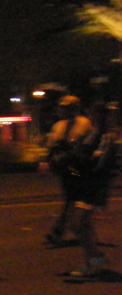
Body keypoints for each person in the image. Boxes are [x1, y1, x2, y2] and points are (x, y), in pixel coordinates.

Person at [65, 102, 119, 277]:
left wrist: (79, 164)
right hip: (83, 184)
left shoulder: (106, 137)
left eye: (98, 114)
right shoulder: (90, 133)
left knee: (78, 222)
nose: (94, 117)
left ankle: (95, 258)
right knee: (82, 223)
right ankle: (93, 260)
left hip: (94, 186)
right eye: (93, 114)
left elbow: (98, 162)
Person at [44, 95, 94, 246]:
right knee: (73, 199)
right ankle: (80, 229)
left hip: (79, 167)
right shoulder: (59, 125)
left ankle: (59, 230)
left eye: (67, 108)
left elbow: (85, 146)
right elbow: (52, 146)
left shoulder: (84, 124)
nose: (63, 110)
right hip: (65, 168)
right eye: (63, 107)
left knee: (72, 199)